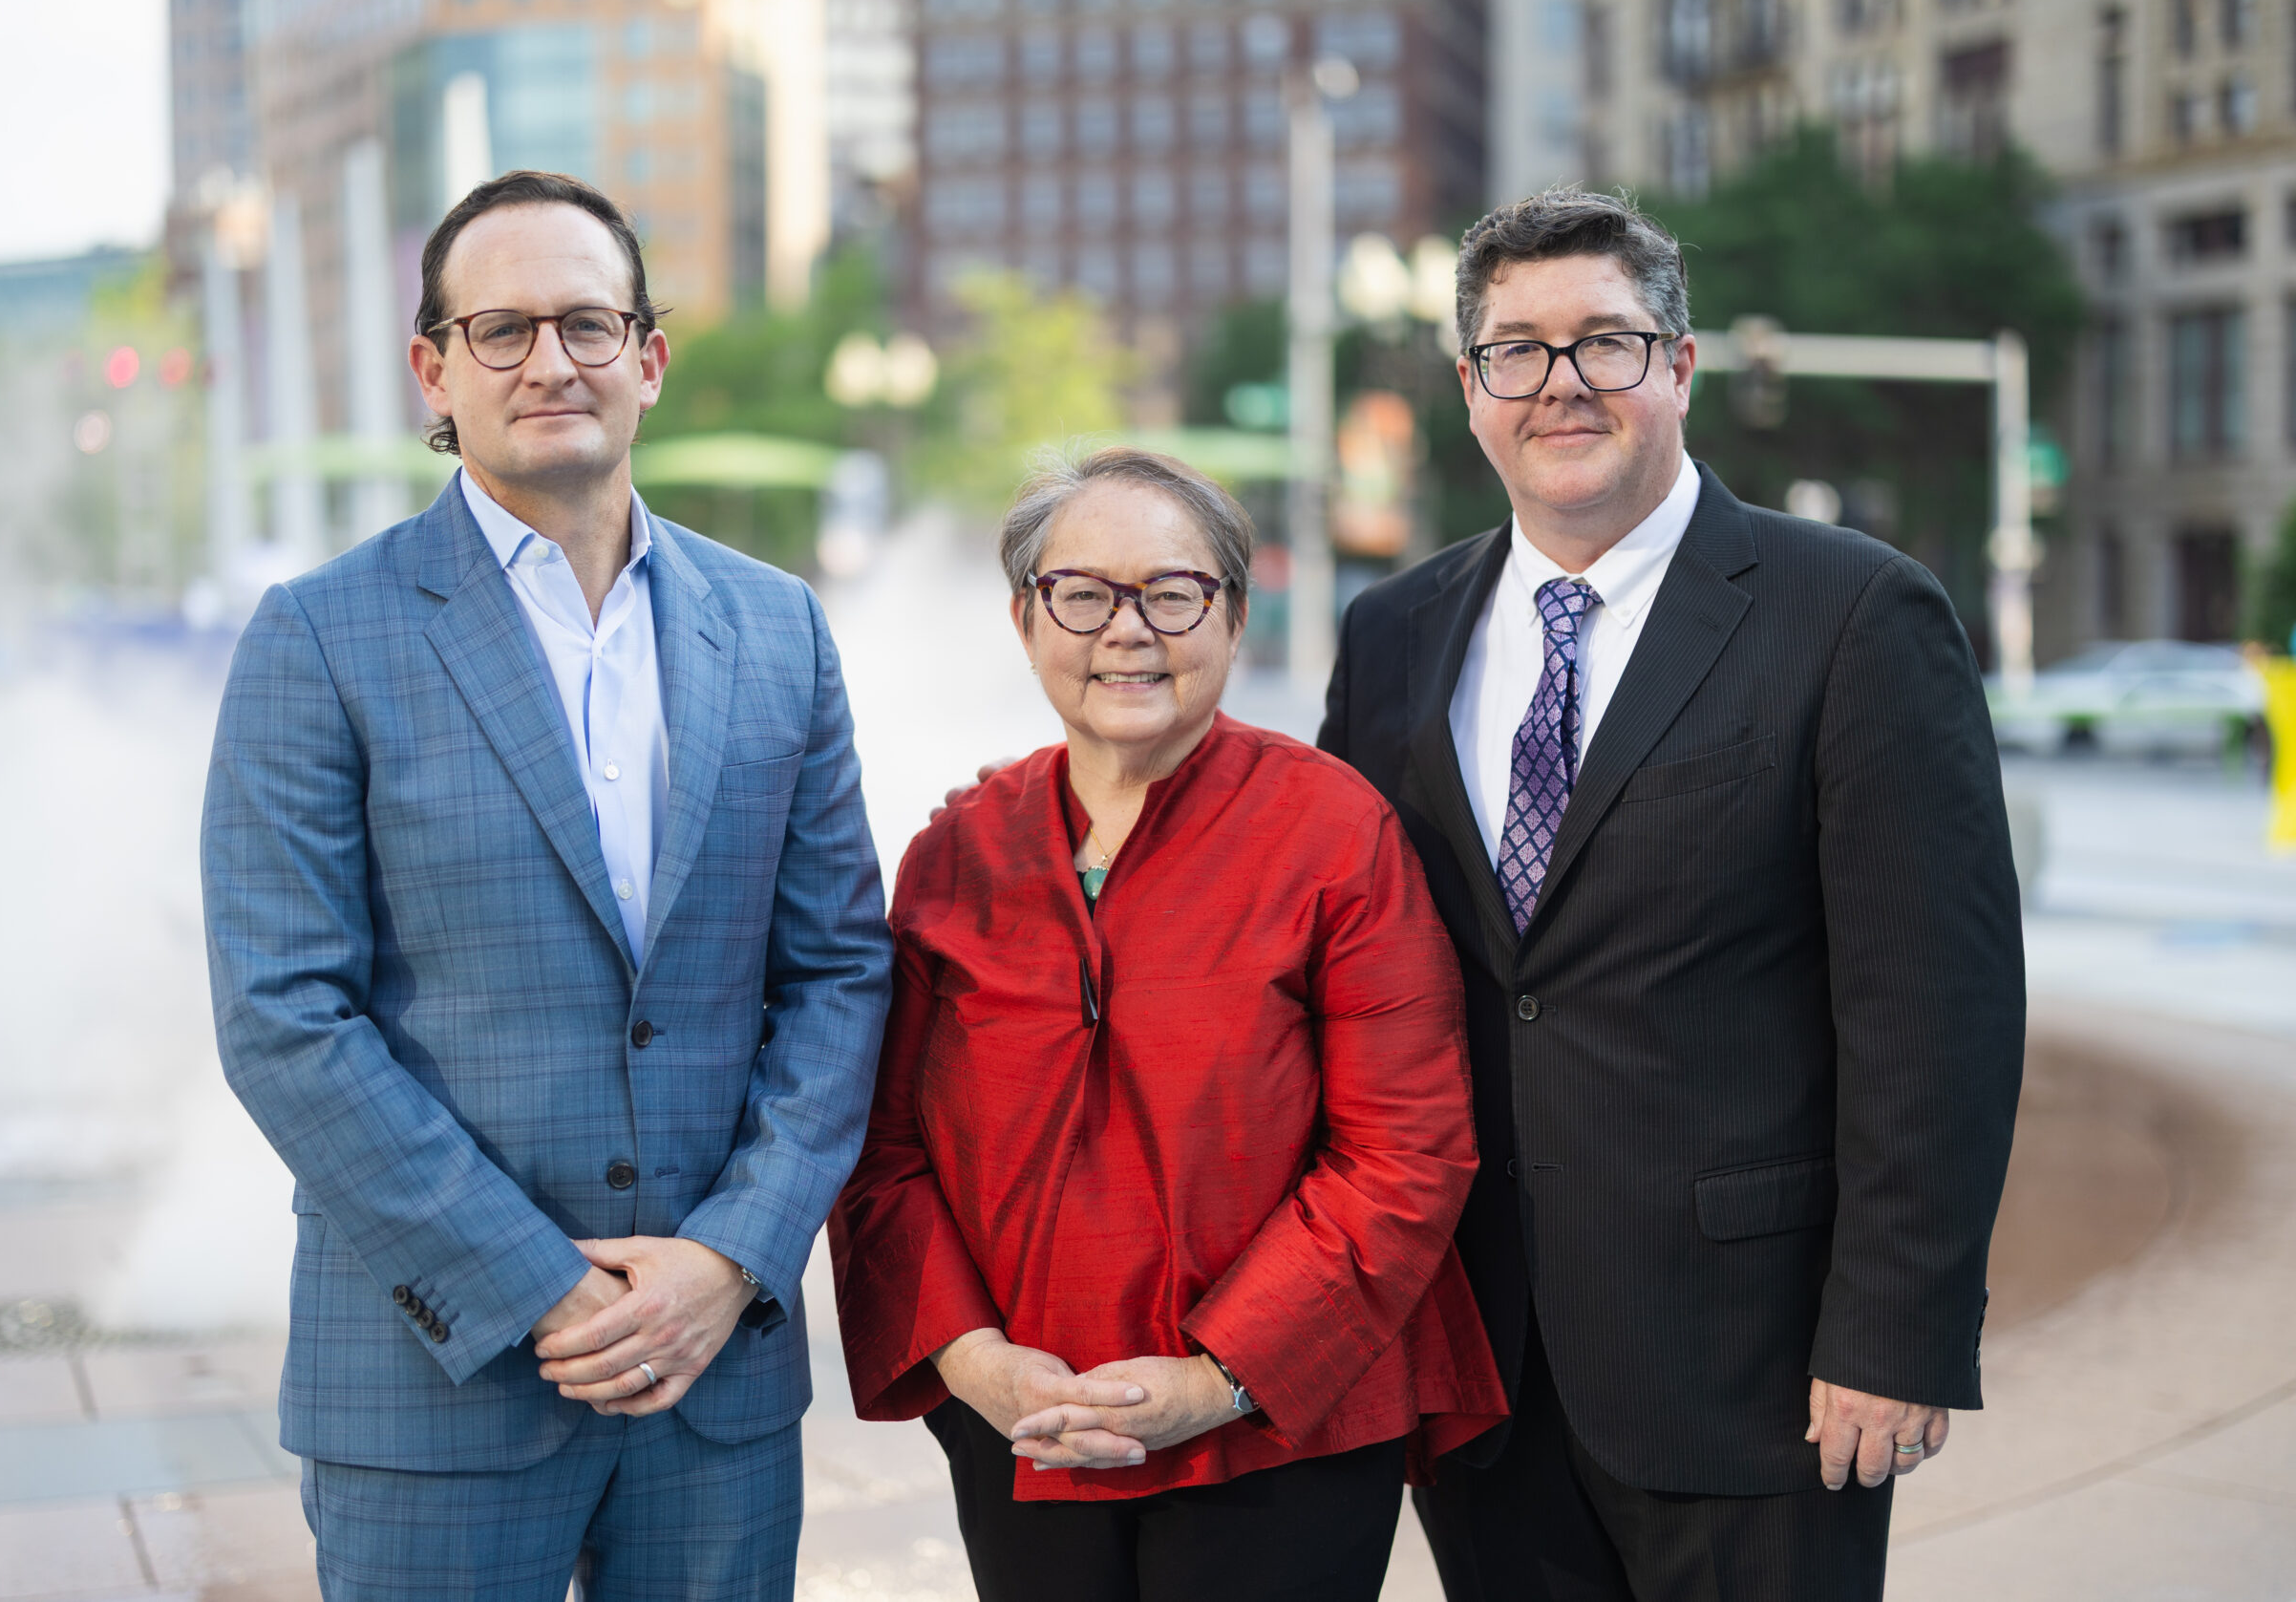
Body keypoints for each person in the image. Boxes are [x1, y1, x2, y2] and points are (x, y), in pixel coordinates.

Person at [1318, 188, 2025, 1599]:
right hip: (1479, 1367)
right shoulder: (1394, 634)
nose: (1561, 381)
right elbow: (1357, 978)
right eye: (1517, 350)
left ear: (1680, 367)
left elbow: (1933, 1011)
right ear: (1471, 391)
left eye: (1607, 341)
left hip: (1756, 1368)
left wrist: (1895, 1329)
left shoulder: (1856, 615)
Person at [201, 170, 891, 1599]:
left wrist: (731, 1257)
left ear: (649, 356)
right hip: (435, 1378)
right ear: (432, 370)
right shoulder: (318, 637)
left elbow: (837, 974)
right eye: (501, 327)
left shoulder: (777, 629)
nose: (549, 361)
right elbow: (285, 1014)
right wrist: (545, 1285)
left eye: (587, 321)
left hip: (716, 1387)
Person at [830, 447, 1507, 1602]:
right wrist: (976, 1362)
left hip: (1281, 1420)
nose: (1126, 630)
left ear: (1234, 615)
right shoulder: (956, 856)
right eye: (1081, 594)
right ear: (1025, 618)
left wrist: (1218, 1376)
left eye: (1173, 592)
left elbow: (1405, 1154)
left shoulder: (1335, 836)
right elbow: (884, 1152)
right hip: (1020, 1417)